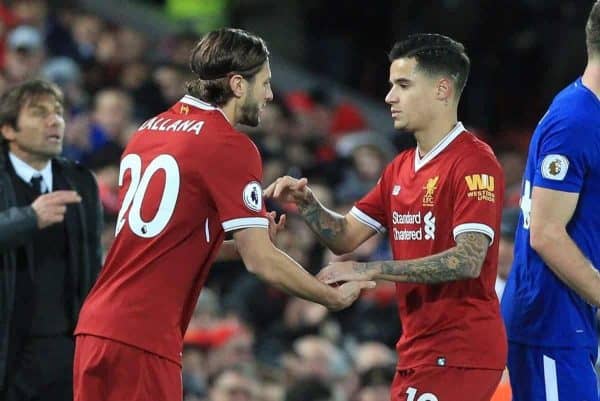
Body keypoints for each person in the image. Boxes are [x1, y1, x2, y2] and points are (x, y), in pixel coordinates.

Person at [73, 28, 372, 401]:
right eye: (264, 83)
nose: (270, 95)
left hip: (96, 327)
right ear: (237, 84)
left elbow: (162, 240)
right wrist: (329, 297)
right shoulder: (230, 146)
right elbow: (262, 263)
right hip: (143, 336)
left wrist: (238, 246)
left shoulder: (148, 130)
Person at [265, 33, 506, 401]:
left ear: (442, 89)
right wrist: (308, 204)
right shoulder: (400, 168)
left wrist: (371, 270)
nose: (389, 97)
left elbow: (468, 259)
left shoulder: (474, 162)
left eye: (403, 85)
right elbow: (344, 236)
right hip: (416, 349)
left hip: (460, 352)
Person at [500, 2, 600, 400]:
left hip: (565, 318)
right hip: (549, 321)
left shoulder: (587, 114)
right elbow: (545, 233)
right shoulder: (576, 120)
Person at [0, 79, 103, 401]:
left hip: (64, 350)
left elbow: (92, 262)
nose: (54, 120)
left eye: (58, 112)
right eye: (38, 112)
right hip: (7, 350)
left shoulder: (80, 180)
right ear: (8, 130)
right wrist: (29, 219)